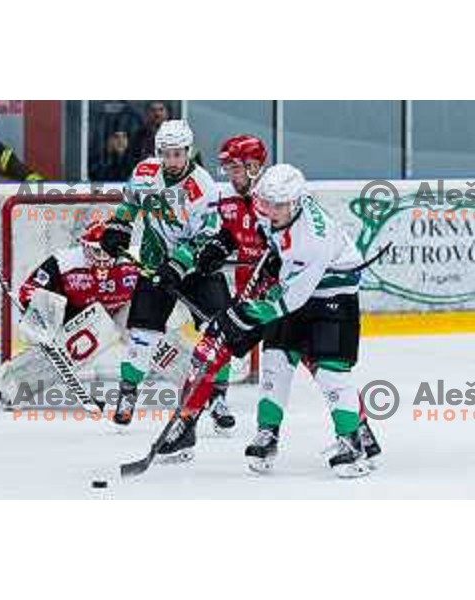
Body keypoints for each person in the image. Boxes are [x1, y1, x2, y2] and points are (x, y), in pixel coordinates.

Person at [156, 164, 382, 478]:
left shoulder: (311, 240)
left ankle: (353, 442)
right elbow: (261, 237)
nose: (269, 211)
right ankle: (268, 434)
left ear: (298, 202)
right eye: (266, 204)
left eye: (279, 205)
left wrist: (241, 315)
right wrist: (222, 246)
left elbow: (288, 301)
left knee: (331, 371)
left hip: (332, 294)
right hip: (294, 286)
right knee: (275, 360)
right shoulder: (274, 208)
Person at [100, 119, 236, 433]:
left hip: (198, 268)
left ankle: (217, 398)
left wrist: (178, 265)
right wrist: (117, 228)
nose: (172, 160)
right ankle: (128, 394)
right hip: (153, 263)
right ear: (158, 151)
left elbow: (206, 235)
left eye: (178, 153)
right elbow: (129, 205)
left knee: (220, 329)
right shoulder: (145, 173)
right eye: (166, 153)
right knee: (143, 332)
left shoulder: (202, 185)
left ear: (188, 151)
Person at [0, 221, 140, 405]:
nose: (102, 257)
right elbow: (28, 290)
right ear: (84, 247)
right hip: (81, 318)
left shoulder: (134, 261)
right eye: (96, 251)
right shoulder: (64, 262)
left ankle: (186, 378)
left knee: (151, 327)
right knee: (82, 339)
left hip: (123, 309)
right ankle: (13, 385)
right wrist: (44, 318)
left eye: (107, 251)